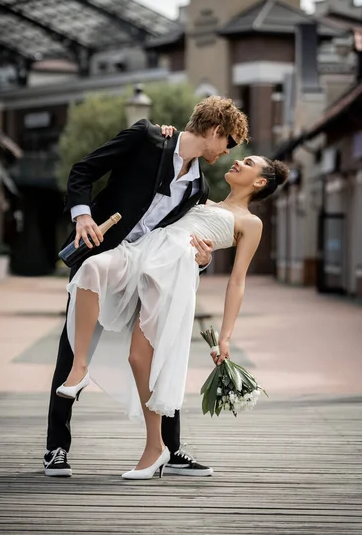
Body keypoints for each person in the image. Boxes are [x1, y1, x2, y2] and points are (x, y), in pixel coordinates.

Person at [44, 95, 249, 478]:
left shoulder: (197, 188)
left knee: (160, 352)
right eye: (229, 142)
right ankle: (56, 448)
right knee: (73, 349)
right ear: (217, 131)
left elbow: (181, 240)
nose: (227, 152)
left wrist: (203, 262)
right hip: (102, 257)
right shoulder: (147, 138)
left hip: (147, 270)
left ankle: (170, 450)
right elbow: (82, 172)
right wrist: (82, 216)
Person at [57, 150, 290, 479]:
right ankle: (79, 367)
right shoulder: (200, 197)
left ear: (260, 182)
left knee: (140, 360)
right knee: (92, 267)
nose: (238, 162)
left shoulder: (251, 223)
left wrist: (225, 336)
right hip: (144, 252)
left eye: (248, 164)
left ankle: (156, 448)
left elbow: (237, 282)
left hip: (173, 276)